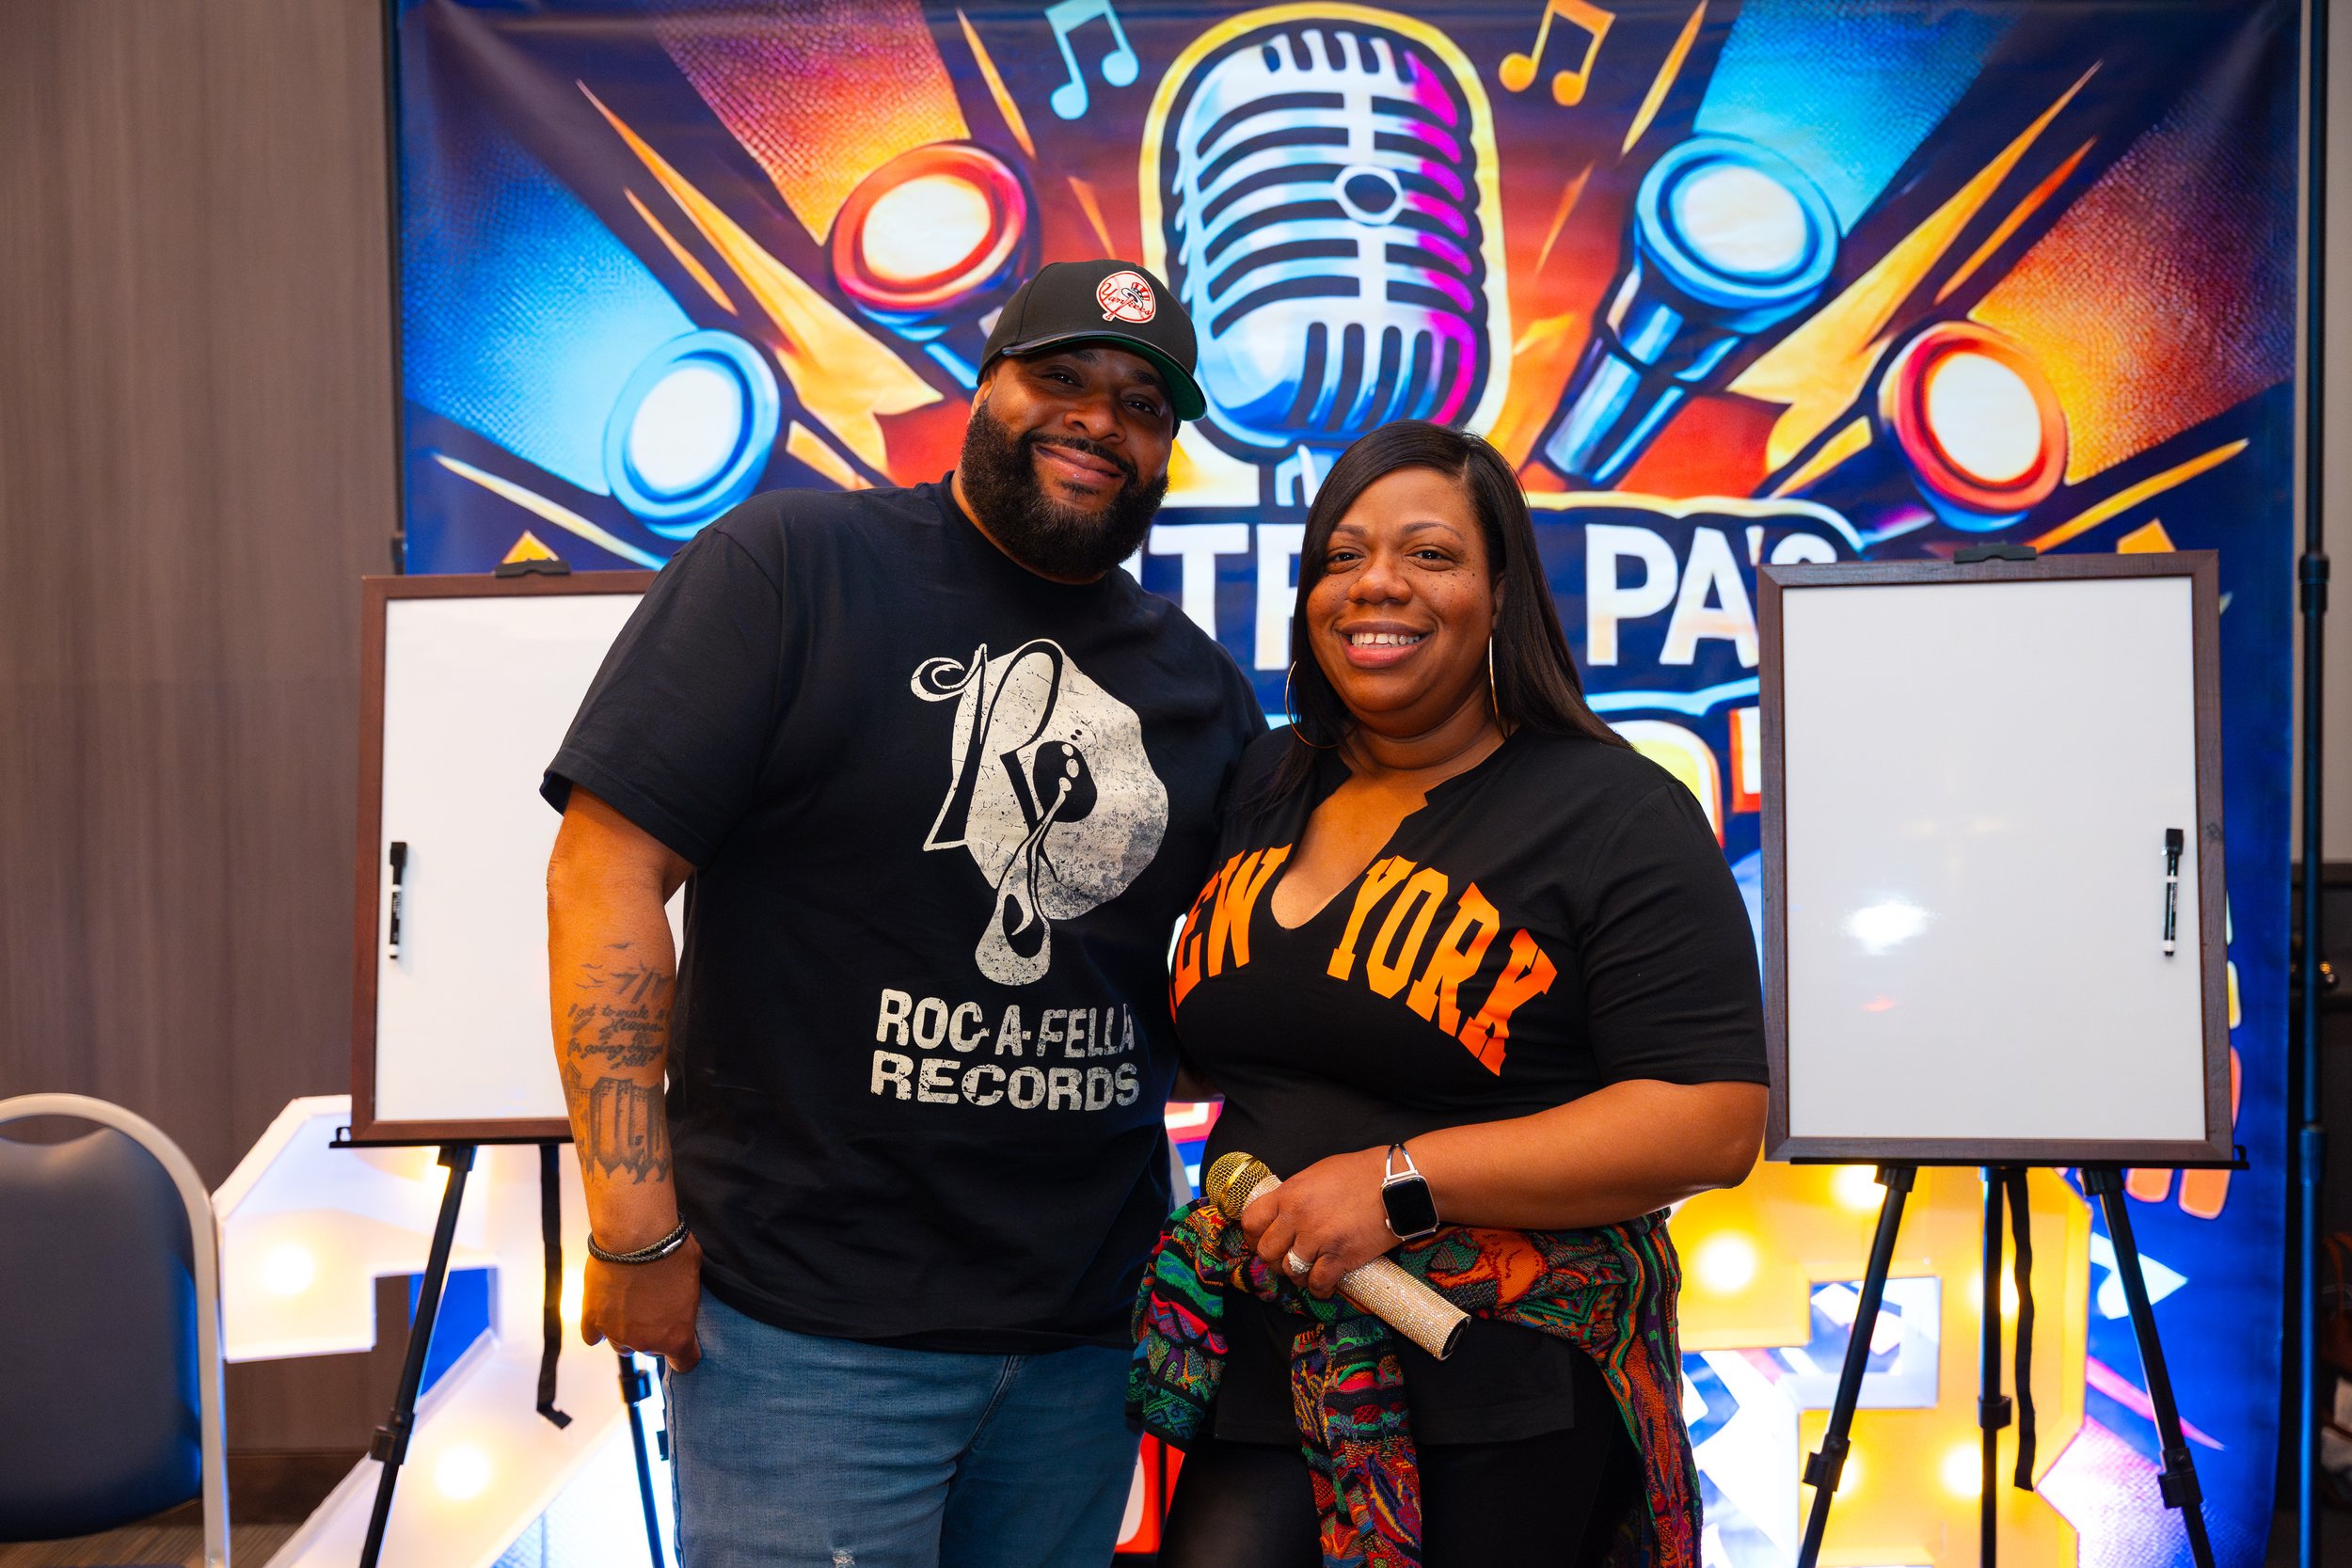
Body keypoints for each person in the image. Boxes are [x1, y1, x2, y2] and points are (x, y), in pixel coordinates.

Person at [542, 259, 1264, 1568]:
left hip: (1081, 1342)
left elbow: (1228, 987)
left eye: (1143, 405)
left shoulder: (1198, 688)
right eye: (1061, 379)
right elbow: (606, 868)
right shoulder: (789, 568)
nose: (1101, 421)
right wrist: (633, 1219)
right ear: (984, 386)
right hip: (805, 1336)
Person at [1132, 420, 1768, 1567]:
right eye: (1342, 553)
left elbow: (1710, 1117)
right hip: (1271, 1365)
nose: (1377, 581)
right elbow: (1244, 1027)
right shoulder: (1266, 782)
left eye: (1428, 554)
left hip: (1500, 1382)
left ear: (1499, 592)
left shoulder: (1613, 811)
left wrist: (1401, 1186)